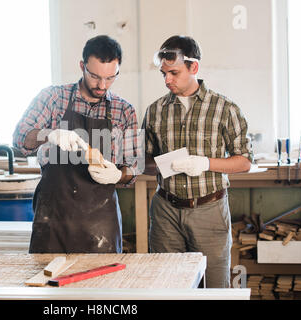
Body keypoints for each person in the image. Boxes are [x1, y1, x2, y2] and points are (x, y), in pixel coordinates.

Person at [142, 35, 252, 288]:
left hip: (209, 211)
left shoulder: (225, 109)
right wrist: (162, 164)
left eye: (174, 72)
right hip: (165, 212)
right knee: (167, 287)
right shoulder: (155, 110)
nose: (167, 79)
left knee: (214, 287)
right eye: (163, 74)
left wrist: (206, 164)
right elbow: (143, 161)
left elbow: (244, 161)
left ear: (194, 67)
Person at [13, 35, 140, 254]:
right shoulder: (53, 98)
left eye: (110, 78)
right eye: (95, 76)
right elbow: (19, 138)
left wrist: (118, 175)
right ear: (82, 66)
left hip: (101, 223)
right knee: (49, 284)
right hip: (53, 217)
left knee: (101, 285)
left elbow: (134, 166)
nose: (102, 85)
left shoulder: (123, 111)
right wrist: (49, 134)